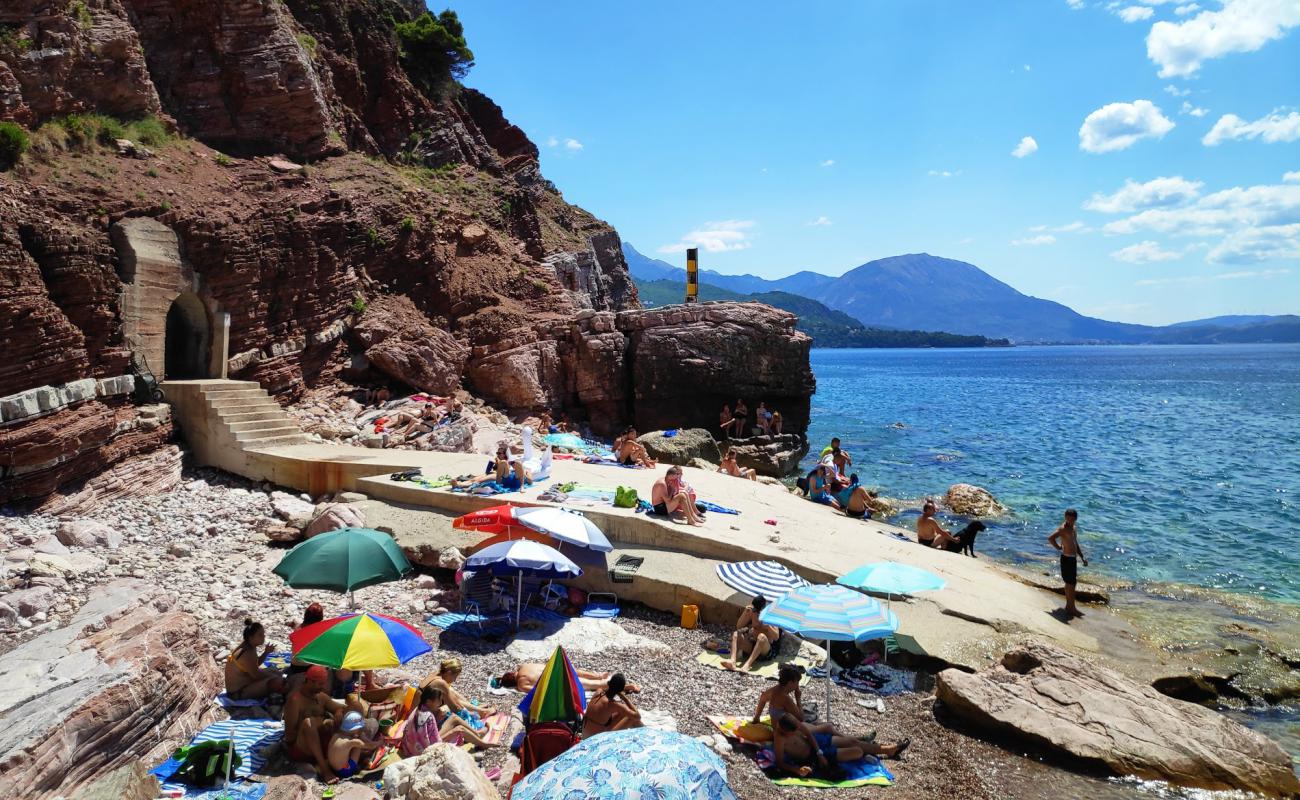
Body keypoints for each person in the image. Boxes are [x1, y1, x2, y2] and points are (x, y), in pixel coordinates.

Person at [772, 714, 909, 778]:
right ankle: (869, 751)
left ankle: (887, 750)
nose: (797, 731)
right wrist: (797, 770)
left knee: (853, 742)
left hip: (817, 745)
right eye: (794, 732)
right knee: (857, 751)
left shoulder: (790, 720)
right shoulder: (780, 739)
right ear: (786, 732)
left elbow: (808, 732)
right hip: (811, 756)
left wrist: (819, 752)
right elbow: (779, 762)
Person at [283, 665, 347, 783]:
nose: (323, 687)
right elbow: (289, 736)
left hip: (320, 743)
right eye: (320, 684)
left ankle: (354, 754)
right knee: (309, 723)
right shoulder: (295, 700)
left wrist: (338, 713)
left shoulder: (320, 696)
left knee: (352, 709)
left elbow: (342, 708)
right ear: (309, 681)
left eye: (324, 683)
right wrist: (317, 724)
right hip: (302, 748)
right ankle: (325, 769)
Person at [224, 619, 286, 700]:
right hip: (237, 693)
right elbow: (256, 676)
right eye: (260, 635)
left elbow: (255, 665)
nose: (263, 636)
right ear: (251, 637)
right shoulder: (247, 653)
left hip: (245, 683)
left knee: (275, 671)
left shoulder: (249, 645)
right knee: (276, 680)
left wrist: (266, 652)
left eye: (263, 634)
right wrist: (273, 676)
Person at [722, 596, 783, 672]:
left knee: (762, 636)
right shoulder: (752, 612)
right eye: (755, 611)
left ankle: (747, 665)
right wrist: (745, 613)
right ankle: (732, 661)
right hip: (753, 646)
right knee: (736, 634)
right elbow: (739, 626)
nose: (757, 613)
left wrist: (768, 627)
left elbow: (776, 637)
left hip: (766, 650)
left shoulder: (770, 615)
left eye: (759, 612)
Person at [498, 662, 640, 694]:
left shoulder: (521, 683)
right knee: (583, 674)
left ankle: (628, 686)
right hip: (558, 667)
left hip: (559, 680)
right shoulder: (523, 666)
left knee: (592, 685)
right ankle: (599, 674)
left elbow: (537, 691)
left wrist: (518, 687)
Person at [422, 658, 494, 720]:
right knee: (452, 698)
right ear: (449, 673)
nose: (455, 680)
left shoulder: (436, 674)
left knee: (450, 690)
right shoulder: (440, 683)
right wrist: (469, 714)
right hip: (424, 715)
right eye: (455, 677)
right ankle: (481, 711)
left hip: (422, 708)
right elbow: (455, 707)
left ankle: (474, 708)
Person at [1048, 508, 1088, 618]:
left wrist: (1082, 557)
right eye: (1068, 518)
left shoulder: (1073, 528)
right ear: (1065, 517)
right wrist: (1058, 547)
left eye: (1073, 519)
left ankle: (1069, 606)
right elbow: (1051, 538)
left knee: (1071, 583)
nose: (1070, 521)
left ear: (1076, 519)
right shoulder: (1063, 529)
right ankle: (1072, 608)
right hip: (1066, 559)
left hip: (1073, 559)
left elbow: (1076, 543)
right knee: (1071, 583)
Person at [582, 673, 642, 737]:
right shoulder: (613, 704)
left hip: (585, 732)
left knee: (622, 713)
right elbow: (637, 716)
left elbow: (606, 688)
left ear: (609, 683)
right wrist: (624, 698)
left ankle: (643, 729)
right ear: (620, 690)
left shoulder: (598, 692)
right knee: (632, 718)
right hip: (595, 739)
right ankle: (644, 731)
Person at [326, 711, 381, 781]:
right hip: (344, 771)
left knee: (356, 744)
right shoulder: (352, 742)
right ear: (355, 729)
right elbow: (371, 746)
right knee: (358, 745)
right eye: (359, 729)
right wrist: (381, 742)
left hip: (333, 768)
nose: (360, 730)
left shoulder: (336, 735)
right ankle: (357, 767)